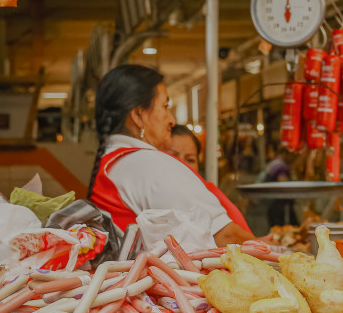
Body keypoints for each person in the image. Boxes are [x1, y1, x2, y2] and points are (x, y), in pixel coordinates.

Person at [88, 64, 253, 246]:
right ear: (138, 115)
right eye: (165, 106)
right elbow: (224, 236)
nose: (172, 120)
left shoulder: (114, 161)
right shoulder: (148, 165)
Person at [165, 125, 251, 234]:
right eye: (173, 157)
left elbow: (233, 235)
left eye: (190, 159)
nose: (183, 165)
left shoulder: (210, 194)